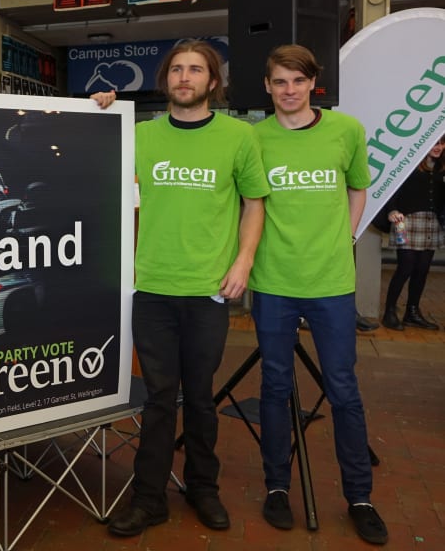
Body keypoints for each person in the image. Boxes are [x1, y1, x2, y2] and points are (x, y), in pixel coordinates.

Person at [97, 40, 269, 537]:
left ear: (213, 82)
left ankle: (202, 487)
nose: (185, 77)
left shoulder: (239, 136)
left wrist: (244, 261)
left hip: (208, 290)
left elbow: (254, 203)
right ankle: (148, 498)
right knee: (156, 399)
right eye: (176, 69)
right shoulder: (141, 136)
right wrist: (101, 110)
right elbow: (105, 175)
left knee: (199, 397)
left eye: (196, 69)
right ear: (165, 79)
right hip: (151, 288)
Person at [249, 44, 388, 545]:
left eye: (298, 81)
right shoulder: (254, 138)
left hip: (331, 283)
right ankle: (277, 488)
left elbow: (358, 188)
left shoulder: (346, 131)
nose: (289, 91)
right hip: (272, 282)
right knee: (275, 386)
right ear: (267, 86)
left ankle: (360, 497)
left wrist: (346, 238)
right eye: (280, 82)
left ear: (314, 84)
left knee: (343, 390)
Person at [377, 137, 445, 331]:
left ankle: (412, 312)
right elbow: (392, 188)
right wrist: (391, 210)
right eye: (435, 143)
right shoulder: (409, 163)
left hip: (432, 223)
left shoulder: (441, 167)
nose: (438, 147)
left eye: (441, 143)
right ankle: (390, 312)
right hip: (406, 221)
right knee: (405, 267)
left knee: (422, 269)